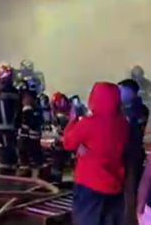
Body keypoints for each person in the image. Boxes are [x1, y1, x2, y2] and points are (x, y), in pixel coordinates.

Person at [64, 82, 129, 225]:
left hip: (90, 184)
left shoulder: (88, 124)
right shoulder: (123, 124)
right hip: (115, 185)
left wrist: (72, 121)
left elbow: (68, 143)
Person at [119, 79, 149, 225]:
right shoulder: (139, 109)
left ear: (130, 91)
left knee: (129, 190)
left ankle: (130, 220)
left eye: (121, 90)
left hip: (131, 154)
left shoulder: (135, 109)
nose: (119, 94)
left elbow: (130, 129)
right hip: (133, 153)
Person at [17, 76, 45, 178]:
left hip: (30, 138)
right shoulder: (29, 101)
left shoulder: (33, 102)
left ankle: (32, 173)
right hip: (27, 137)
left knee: (32, 155)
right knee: (30, 154)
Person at [46, 92, 74, 184]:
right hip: (67, 142)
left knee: (57, 152)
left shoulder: (64, 117)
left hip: (66, 144)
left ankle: (56, 177)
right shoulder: (69, 114)